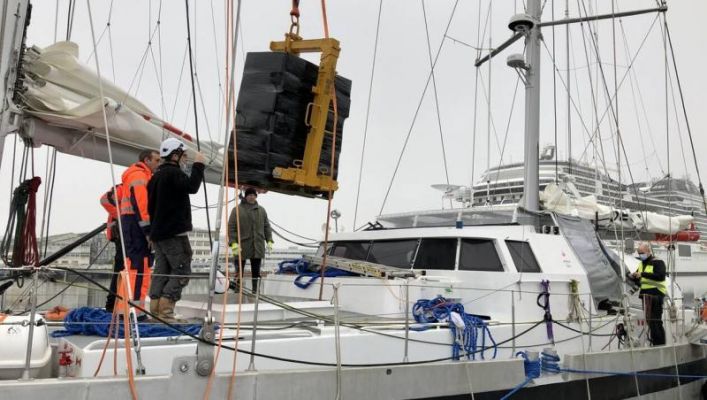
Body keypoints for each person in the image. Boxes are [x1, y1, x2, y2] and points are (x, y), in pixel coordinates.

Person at [147, 138, 205, 322]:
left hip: (159, 233)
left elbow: (150, 207)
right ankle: (166, 313)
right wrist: (199, 165)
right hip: (173, 233)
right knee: (181, 270)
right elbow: (192, 187)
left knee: (162, 270)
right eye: (183, 155)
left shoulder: (155, 176)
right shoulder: (173, 173)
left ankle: (155, 311)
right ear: (175, 155)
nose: (185, 158)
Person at [117, 149, 160, 314]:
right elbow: (141, 205)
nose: (158, 164)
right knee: (139, 268)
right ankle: (135, 312)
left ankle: (127, 310)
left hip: (132, 224)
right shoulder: (139, 176)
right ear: (147, 160)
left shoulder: (139, 175)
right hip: (136, 227)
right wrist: (148, 231)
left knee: (135, 267)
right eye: (156, 160)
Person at [227, 188, 273, 293]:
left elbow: (266, 226)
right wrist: (233, 242)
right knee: (239, 270)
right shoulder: (237, 210)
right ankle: (237, 290)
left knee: (256, 271)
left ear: (256, 196)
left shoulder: (261, 210)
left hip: (257, 245)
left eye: (253, 195)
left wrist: (269, 240)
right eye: (249, 195)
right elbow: (231, 227)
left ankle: (255, 291)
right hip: (241, 245)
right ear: (245, 196)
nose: (252, 197)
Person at [631, 243, 667, 346]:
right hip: (645, 295)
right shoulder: (641, 264)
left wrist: (642, 274)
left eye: (642, 253)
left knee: (656, 321)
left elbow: (660, 276)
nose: (640, 255)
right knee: (650, 322)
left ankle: (659, 345)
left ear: (648, 252)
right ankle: (655, 343)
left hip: (656, 294)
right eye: (639, 253)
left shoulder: (658, 262)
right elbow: (640, 279)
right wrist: (634, 276)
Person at [99, 184, 124, 312]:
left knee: (122, 270)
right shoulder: (122, 188)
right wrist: (123, 217)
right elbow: (104, 200)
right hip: (121, 234)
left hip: (127, 234)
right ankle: (112, 305)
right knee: (120, 269)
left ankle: (116, 304)